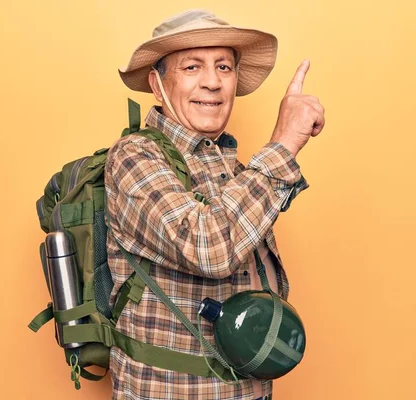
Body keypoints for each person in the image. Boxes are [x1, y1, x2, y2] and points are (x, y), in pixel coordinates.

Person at [105, 9, 325, 400]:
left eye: (224, 67)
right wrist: (283, 144)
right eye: (192, 67)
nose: (212, 82)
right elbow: (210, 248)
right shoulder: (134, 158)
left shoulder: (232, 166)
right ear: (157, 85)